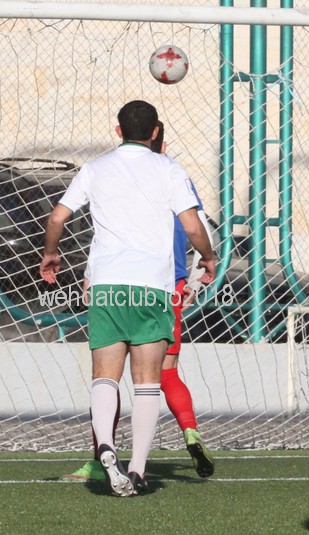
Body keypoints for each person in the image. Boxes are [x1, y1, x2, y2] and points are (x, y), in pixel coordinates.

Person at [41, 101, 217, 497]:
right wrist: (207, 258)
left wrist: (51, 253)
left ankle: (105, 446)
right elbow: (192, 225)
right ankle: (137, 469)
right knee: (148, 381)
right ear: (155, 132)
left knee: (105, 375)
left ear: (118, 131)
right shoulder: (169, 169)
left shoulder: (95, 168)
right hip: (152, 287)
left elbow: (56, 218)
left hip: (107, 286)